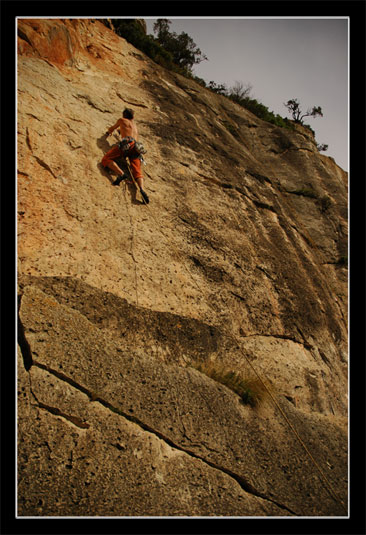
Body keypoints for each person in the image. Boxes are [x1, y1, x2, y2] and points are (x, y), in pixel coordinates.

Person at [101, 108, 149, 203]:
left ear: (124, 115)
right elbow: (127, 131)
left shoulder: (122, 120)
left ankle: (121, 174)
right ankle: (142, 189)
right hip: (136, 147)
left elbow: (112, 129)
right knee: (137, 170)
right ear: (133, 117)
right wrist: (121, 131)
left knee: (106, 159)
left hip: (126, 144)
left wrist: (108, 132)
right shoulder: (135, 126)